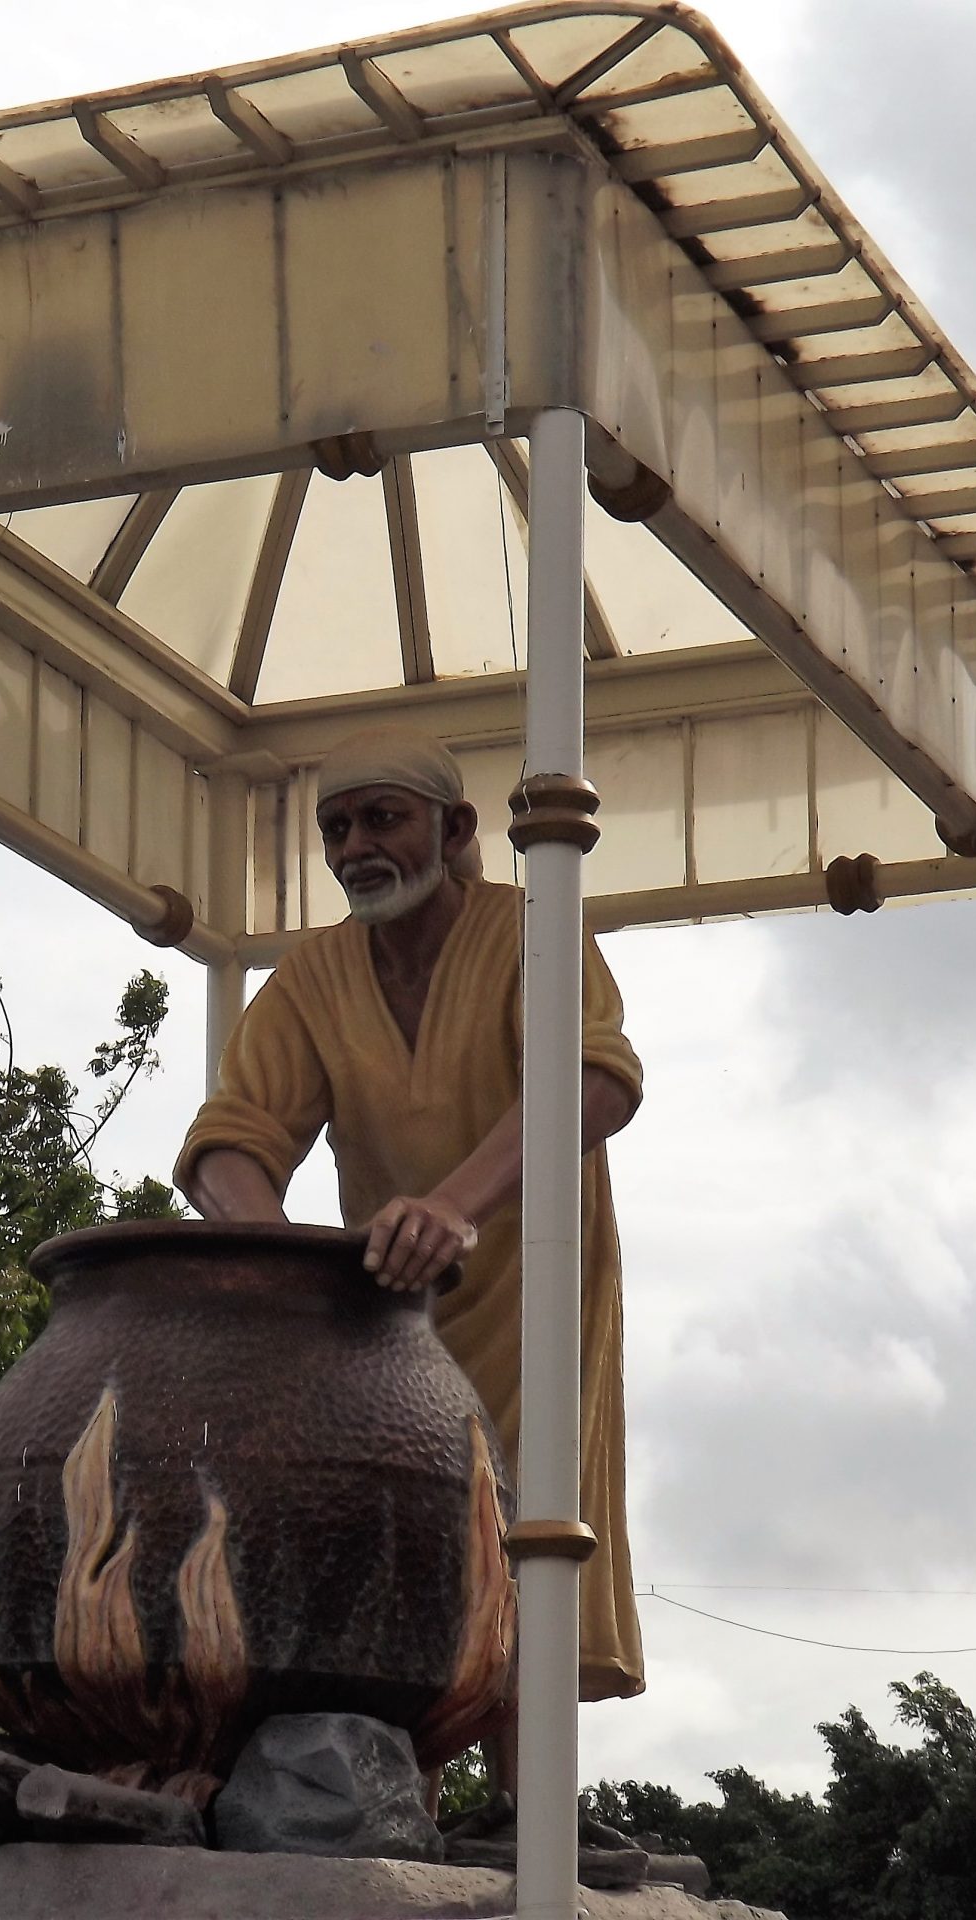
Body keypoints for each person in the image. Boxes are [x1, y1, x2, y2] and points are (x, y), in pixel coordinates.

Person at [175, 724, 645, 1712]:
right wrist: (289, 1274)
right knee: (398, 1540)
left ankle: (530, 1816)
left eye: (381, 818)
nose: (355, 849)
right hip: (389, 1314)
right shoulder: (309, 980)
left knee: (525, 1530)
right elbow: (229, 1142)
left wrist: (451, 1209)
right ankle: (399, 1804)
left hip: (536, 1290)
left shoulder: (531, 929)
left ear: (455, 826)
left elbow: (595, 1082)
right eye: (335, 828)